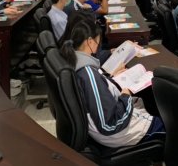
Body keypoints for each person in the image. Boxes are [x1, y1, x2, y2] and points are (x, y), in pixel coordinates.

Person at [59, 19, 164, 147]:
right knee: (170, 126)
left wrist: (111, 79)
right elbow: (109, 125)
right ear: (90, 42)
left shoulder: (76, 62)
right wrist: (125, 95)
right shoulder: (88, 74)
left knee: (150, 104)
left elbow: (98, 91)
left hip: (110, 125)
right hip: (116, 132)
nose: (98, 46)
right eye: (98, 41)